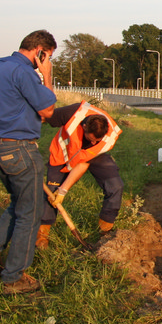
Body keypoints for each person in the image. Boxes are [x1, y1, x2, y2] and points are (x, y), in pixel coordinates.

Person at [0, 30, 57, 295]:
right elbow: (48, 111)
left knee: (18, 204)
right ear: (40, 51)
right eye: (48, 56)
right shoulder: (25, 72)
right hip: (19, 149)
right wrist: (47, 76)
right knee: (29, 214)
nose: (46, 62)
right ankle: (13, 277)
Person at [36, 101, 123, 248]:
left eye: (97, 140)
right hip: (62, 154)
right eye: (91, 139)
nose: (94, 142)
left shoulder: (109, 137)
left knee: (116, 186)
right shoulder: (72, 113)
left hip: (92, 156)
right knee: (51, 193)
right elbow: (43, 116)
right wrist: (25, 136)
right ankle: (42, 236)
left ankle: (105, 230)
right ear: (84, 127)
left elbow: (83, 163)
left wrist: (63, 190)